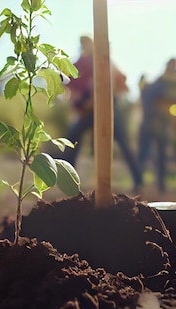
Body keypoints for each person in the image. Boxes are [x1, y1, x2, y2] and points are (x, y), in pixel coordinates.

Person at [61, 36, 143, 192]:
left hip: (106, 107)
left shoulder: (104, 62)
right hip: (87, 112)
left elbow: (121, 83)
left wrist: (103, 95)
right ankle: (68, 181)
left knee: (123, 143)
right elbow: (69, 85)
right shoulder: (78, 64)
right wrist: (79, 103)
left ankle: (138, 180)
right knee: (71, 139)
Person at [138, 58, 176, 194]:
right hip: (155, 121)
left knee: (168, 152)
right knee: (147, 152)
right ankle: (140, 182)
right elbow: (152, 98)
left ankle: (168, 183)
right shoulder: (160, 82)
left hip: (171, 122)